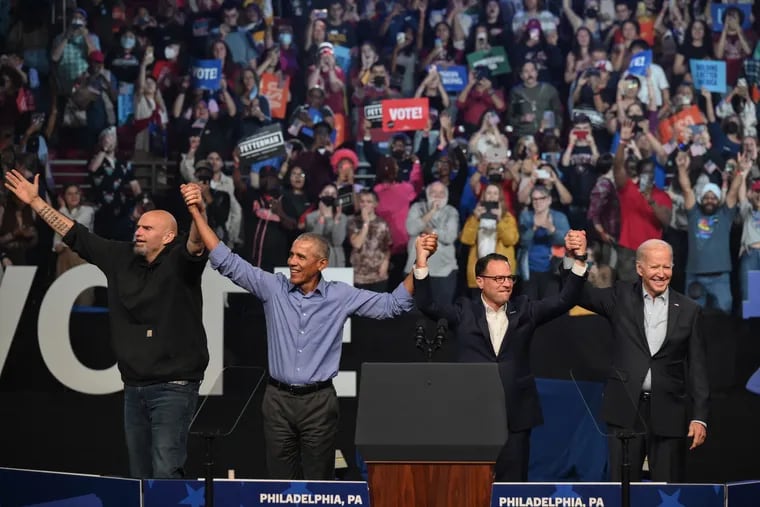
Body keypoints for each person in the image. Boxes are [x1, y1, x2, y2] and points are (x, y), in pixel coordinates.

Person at [180, 181, 438, 480]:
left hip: (319, 403)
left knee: (319, 481)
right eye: (291, 254)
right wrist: (197, 212)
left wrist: (419, 263)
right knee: (279, 483)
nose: (291, 261)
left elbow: (392, 305)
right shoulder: (273, 288)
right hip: (276, 401)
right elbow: (227, 261)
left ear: (322, 264)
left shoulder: (340, 296)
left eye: (301, 257)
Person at [4, 169, 209, 479]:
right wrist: (35, 202)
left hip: (174, 387)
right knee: (139, 475)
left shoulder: (181, 259)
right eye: (138, 226)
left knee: (166, 471)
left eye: (147, 228)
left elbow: (197, 243)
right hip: (133, 388)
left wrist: (198, 211)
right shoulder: (120, 256)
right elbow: (76, 234)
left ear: (168, 236)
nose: (138, 231)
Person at [413, 229, 589, 481]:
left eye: (509, 278)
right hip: (470, 415)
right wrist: (421, 260)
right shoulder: (464, 311)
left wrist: (580, 259)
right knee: (470, 486)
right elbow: (427, 304)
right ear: (480, 281)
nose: (506, 283)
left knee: (513, 484)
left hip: (515, 415)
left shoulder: (526, 309)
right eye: (498, 279)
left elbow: (564, 299)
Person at [566, 233, 708, 482]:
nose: (661, 273)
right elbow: (578, 295)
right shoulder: (620, 296)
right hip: (625, 409)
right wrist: (577, 259)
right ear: (639, 268)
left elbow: (697, 367)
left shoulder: (689, 310)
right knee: (623, 487)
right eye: (654, 266)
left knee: (668, 490)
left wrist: (700, 417)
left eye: (667, 267)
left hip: (669, 412)